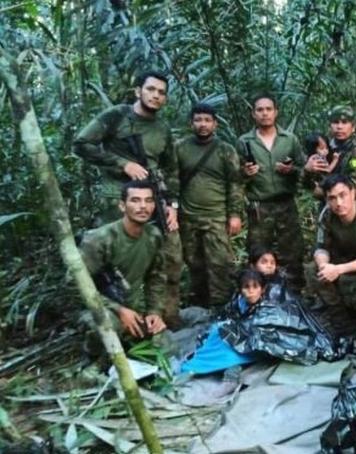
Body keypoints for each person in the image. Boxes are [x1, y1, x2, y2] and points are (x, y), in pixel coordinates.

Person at [73, 70, 183, 327]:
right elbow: (81, 144)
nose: (156, 96)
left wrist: (172, 205)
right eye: (151, 89)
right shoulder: (117, 117)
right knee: (114, 259)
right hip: (117, 199)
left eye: (161, 93)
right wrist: (122, 164)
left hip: (154, 198)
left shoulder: (162, 129)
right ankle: (113, 317)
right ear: (138, 91)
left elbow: (172, 170)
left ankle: (163, 318)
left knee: (169, 256)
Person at [173, 102, 244, 308]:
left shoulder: (225, 150)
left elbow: (235, 184)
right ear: (191, 123)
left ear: (215, 124)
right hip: (187, 217)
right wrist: (173, 209)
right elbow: (172, 180)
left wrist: (235, 214)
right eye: (198, 120)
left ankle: (222, 306)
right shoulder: (180, 148)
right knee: (194, 264)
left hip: (216, 217)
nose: (202, 124)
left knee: (220, 264)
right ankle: (199, 305)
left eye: (207, 120)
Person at [80, 180, 167, 343]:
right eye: (135, 200)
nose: (143, 206)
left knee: (163, 339)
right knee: (108, 326)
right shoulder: (99, 240)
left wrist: (154, 312)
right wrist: (119, 310)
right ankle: (96, 363)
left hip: (131, 303)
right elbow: (75, 285)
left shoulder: (154, 235)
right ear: (122, 206)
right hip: (98, 306)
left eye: (148, 201)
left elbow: (156, 277)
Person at [237, 94, 306, 292]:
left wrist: (290, 170)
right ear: (253, 114)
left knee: (292, 251)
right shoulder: (244, 141)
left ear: (276, 112)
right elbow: (235, 176)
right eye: (260, 110)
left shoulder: (289, 140)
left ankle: (293, 295)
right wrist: (246, 173)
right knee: (258, 251)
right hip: (259, 206)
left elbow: (304, 169)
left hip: (286, 204)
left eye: (268, 109)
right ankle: (260, 294)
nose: (264, 113)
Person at [305, 174, 356, 339]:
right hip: (339, 262)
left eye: (342, 195)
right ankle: (342, 324)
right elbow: (321, 248)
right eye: (332, 198)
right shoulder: (327, 215)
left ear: (353, 193)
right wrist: (324, 267)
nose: (338, 203)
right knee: (312, 269)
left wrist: (338, 269)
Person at [304, 106, 356, 200]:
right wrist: (307, 170)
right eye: (335, 122)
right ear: (330, 126)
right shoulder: (325, 147)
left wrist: (323, 193)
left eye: (344, 123)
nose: (339, 127)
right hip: (327, 206)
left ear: (353, 127)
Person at [302, 132, 336, 200]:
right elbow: (328, 170)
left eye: (326, 148)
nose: (326, 151)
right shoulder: (317, 159)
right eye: (322, 149)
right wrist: (336, 160)